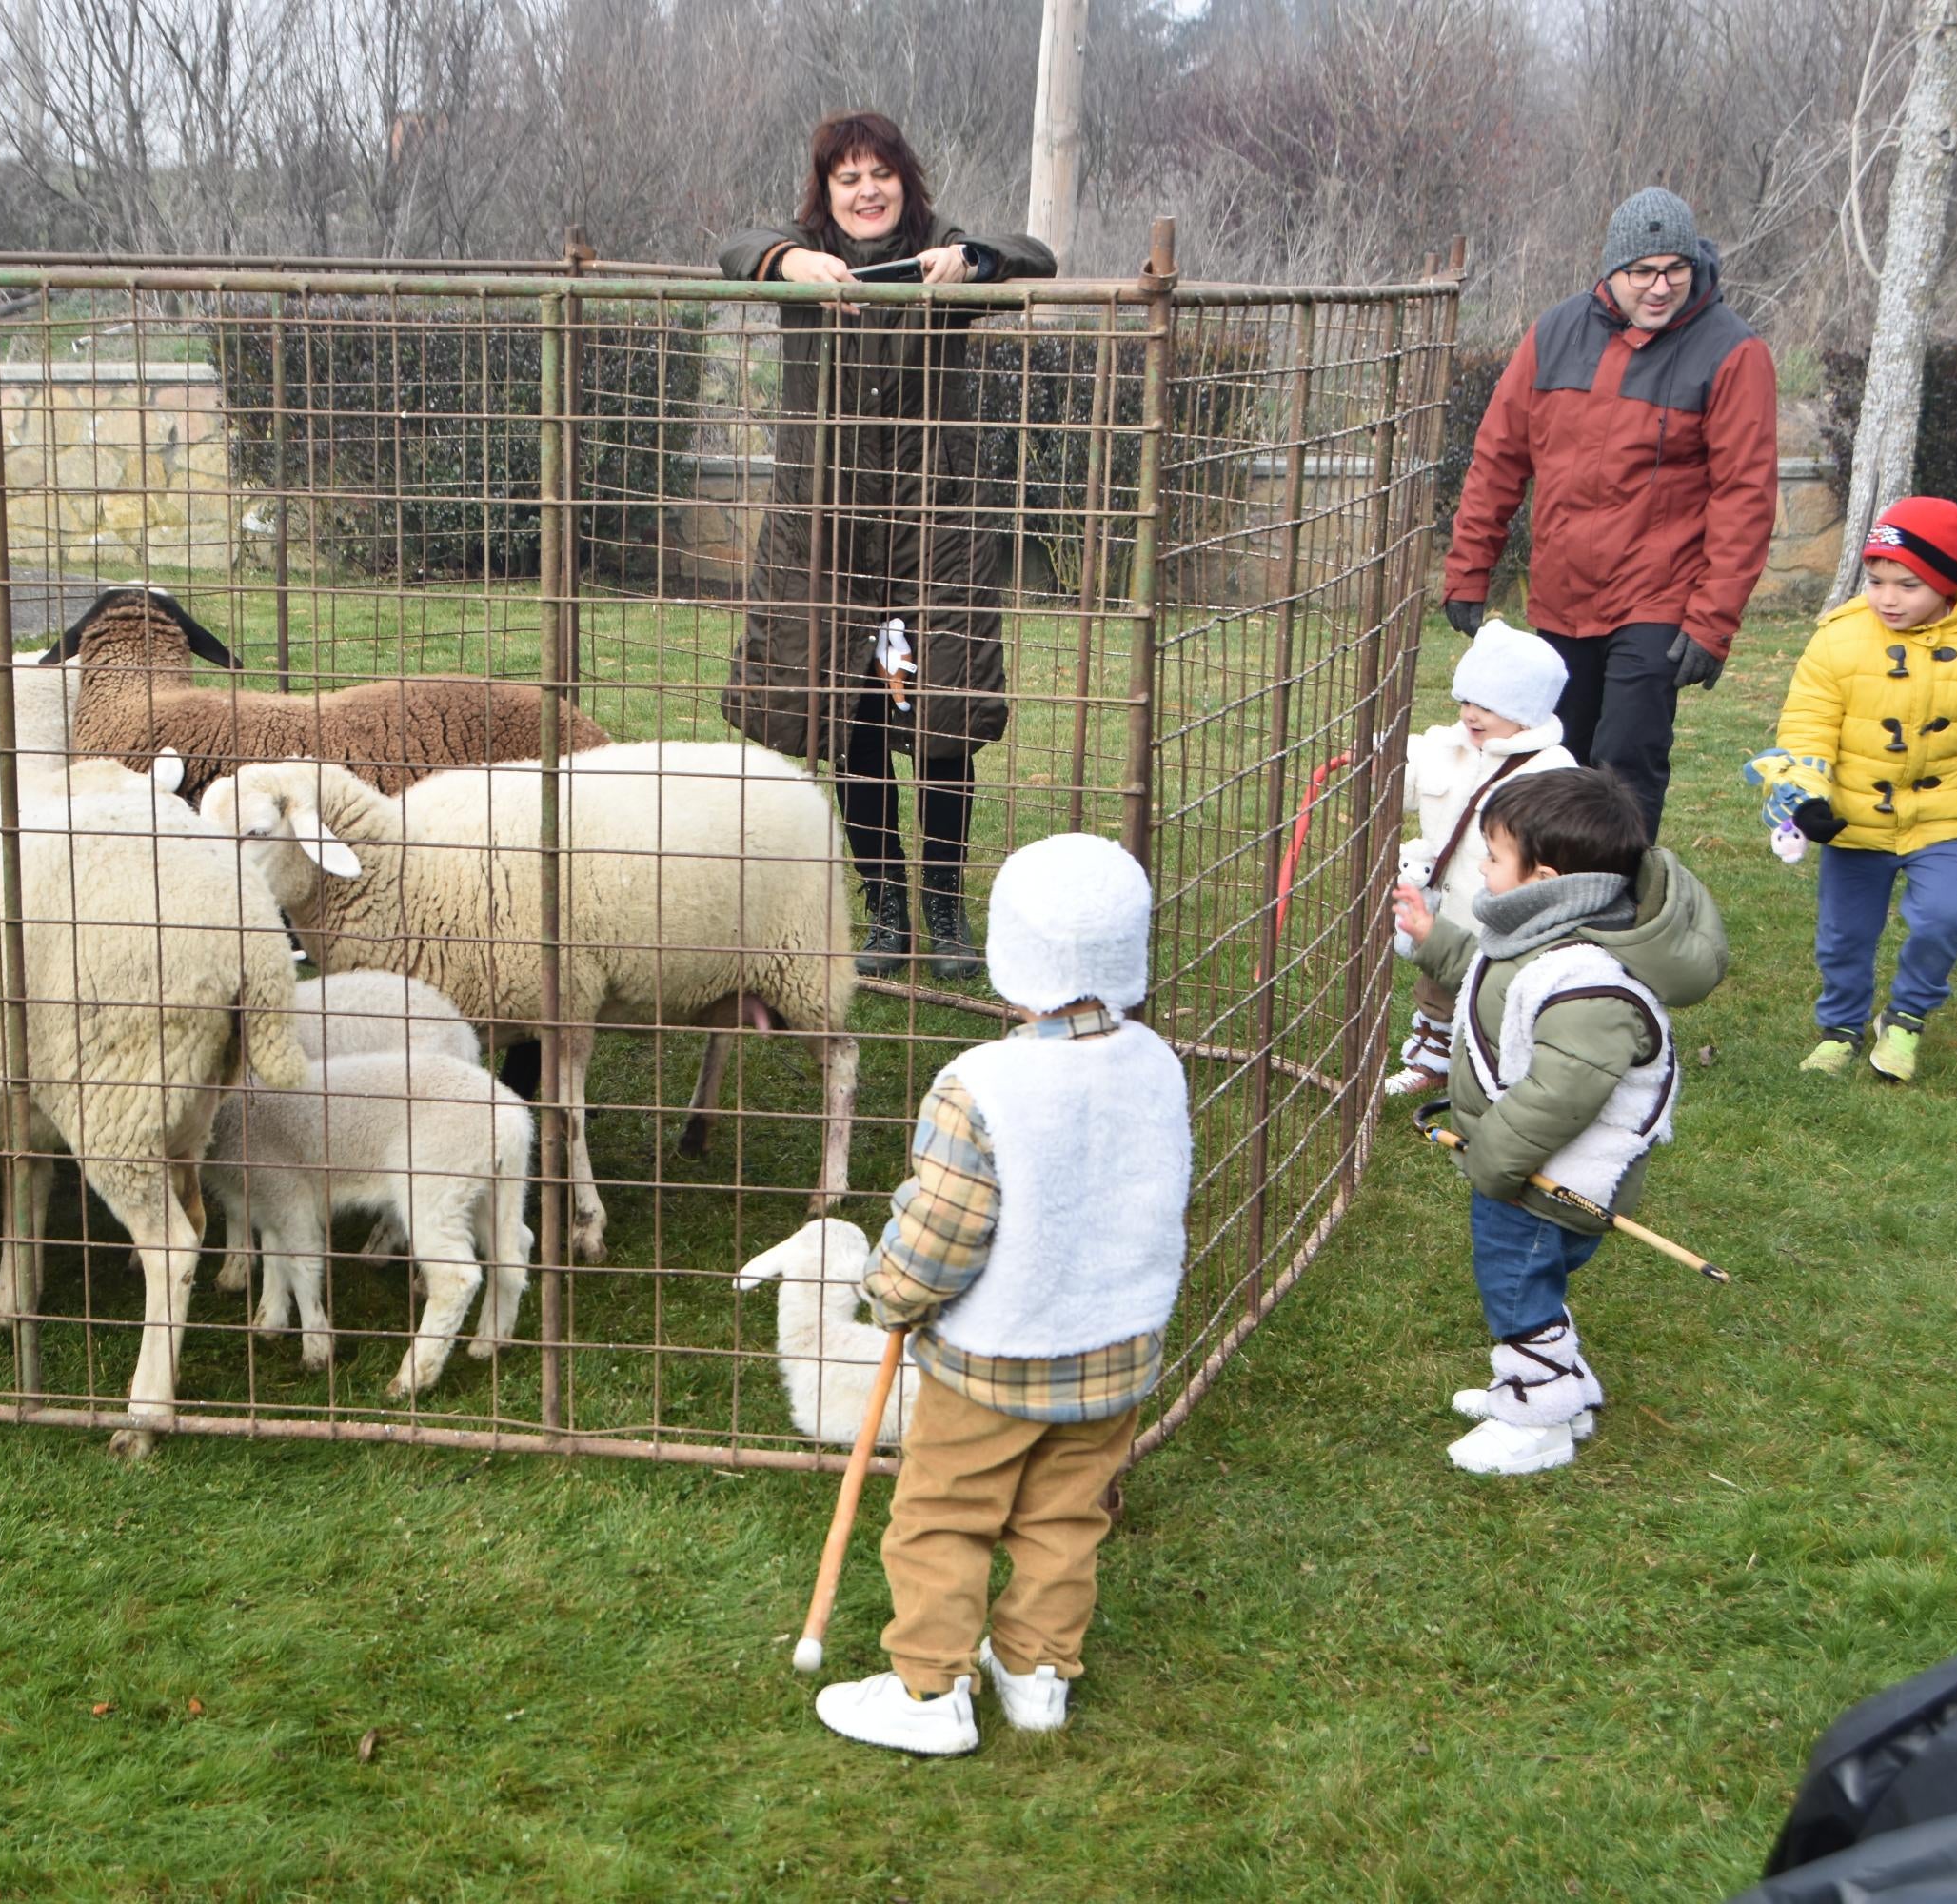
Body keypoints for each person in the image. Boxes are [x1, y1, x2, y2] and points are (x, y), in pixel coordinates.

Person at [813, 833, 1189, 1755]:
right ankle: (1038, 1673)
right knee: (1067, 1516)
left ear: (1010, 956)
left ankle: (930, 1688)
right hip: (1117, 1350)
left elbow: (944, 1227)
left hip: (993, 1358)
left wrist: (892, 1290)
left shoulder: (981, 1085)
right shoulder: (1160, 1065)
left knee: (945, 1512)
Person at [719, 111, 1054, 982]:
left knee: (936, 723)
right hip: (831, 551)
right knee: (857, 725)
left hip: (928, 548)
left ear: (905, 179)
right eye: (847, 177)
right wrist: (791, 265)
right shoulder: (803, 252)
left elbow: (1033, 254)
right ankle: (888, 913)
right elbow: (736, 246)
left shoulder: (942, 247)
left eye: (880, 174)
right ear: (826, 190)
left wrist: (971, 262)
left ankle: (945, 912)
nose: (866, 191)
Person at [1391, 770, 1726, 1478]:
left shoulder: (1587, 982)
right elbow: (1492, 977)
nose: (1481, 867)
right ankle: (1560, 1387)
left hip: (1547, 1178)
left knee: (1517, 1290)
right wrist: (1432, 937)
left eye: (1492, 855)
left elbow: (1561, 1093)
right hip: (1526, 1166)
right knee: (1529, 1281)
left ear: (1542, 876)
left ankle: (1537, 1419)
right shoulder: (1544, 936)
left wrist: (1494, 1161)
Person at [1441, 188, 1778, 838]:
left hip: (1656, 599)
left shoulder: (1734, 353)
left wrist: (1711, 624)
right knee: (1551, 753)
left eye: (1675, 269)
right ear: (1611, 271)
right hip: (1562, 595)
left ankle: (1618, 909)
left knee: (1624, 762)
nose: (1660, 287)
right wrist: (1467, 570)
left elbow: (1745, 498)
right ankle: (1548, 895)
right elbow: (1498, 460)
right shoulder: (1555, 333)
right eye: (1642, 271)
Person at [1763, 497, 1957, 1083]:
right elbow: (1808, 726)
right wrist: (1807, 798)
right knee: (1844, 936)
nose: (1887, 598)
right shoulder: (1837, 639)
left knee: (1945, 917)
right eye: (1876, 580)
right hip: (1855, 817)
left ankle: (1907, 1017)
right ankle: (1840, 1027)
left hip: (1947, 817)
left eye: (1908, 584)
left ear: (1948, 581)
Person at [1386, 619, 1579, 1099]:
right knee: (1438, 987)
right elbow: (1403, 770)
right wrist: (1375, 758)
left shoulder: (1551, 772)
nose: (1470, 714)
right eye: (1465, 701)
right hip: (1449, 907)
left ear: (1527, 711)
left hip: (1511, 915)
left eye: (1488, 706)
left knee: (1499, 993)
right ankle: (1430, 1060)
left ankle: (1499, 1067)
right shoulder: (1445, 748)